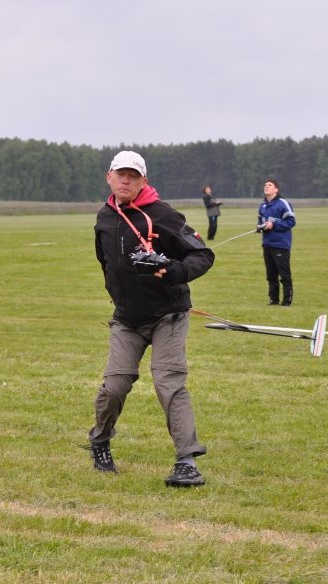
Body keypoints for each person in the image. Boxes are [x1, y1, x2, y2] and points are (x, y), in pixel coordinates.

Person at [89, 150, 215, 487]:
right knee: (115, 385)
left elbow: (203, 255)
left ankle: (187, 462)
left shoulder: (164, 215)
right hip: (127, 319)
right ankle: (99, 440)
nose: (126, 181)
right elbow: (106, 263)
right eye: (121, 174)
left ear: (144, 180)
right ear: (109, 177)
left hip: (167, 316)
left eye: (133, 176)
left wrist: (174, 270)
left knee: (168, 382)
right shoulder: (104, 217)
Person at [257, 178, 296, 305]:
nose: (266, 186)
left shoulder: (283, 203)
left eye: (270, 185)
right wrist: (260, 227)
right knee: (271, 274)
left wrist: (274, 225)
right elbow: (261, 222)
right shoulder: (262, 206)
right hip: (267, 244)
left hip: (281, 244)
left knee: (284, 274)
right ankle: (273, 300)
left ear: (276, 189)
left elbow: (291, 222)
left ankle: (287, 300)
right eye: (265, 185)